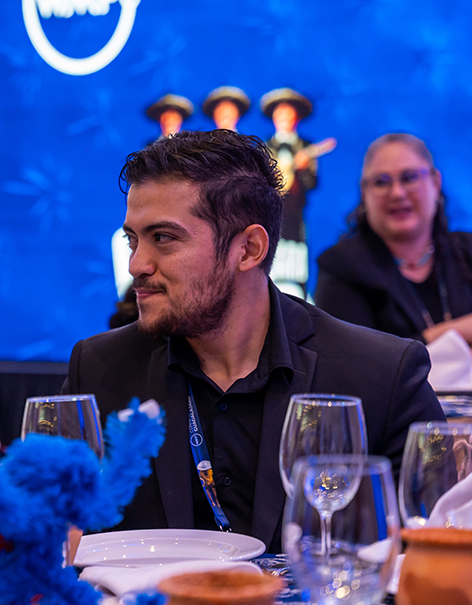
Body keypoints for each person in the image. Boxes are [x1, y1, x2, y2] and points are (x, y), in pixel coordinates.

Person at [64, 130, 444, 552]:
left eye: (163, 238)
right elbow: (50, 535)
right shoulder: (99, 370)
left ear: (248, 249)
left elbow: (441, 551)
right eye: (132, 240)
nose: (136, 264)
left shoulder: (380, 376)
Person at [315, 133, 472, 343]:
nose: (397, 193)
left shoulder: (467, 250)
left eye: (409, 178)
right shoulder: (342, 267)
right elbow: (353, 358)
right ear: (364, 193)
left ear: (435, 183)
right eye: (381, 182)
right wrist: (458, 331)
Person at [260, 87, 335, 299]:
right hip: (271, 214)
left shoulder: (306, 146)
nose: (285, 118)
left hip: (296, 214)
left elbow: (312, 183)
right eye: (281, 113)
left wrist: (302, 169)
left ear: (297, 117)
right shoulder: (264, 147)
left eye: (289, 113)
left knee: (296, 255)